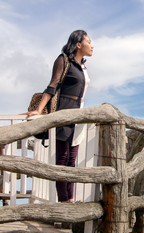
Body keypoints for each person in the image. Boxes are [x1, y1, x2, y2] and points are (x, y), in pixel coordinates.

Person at [26, 30, 93, 203]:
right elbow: (53, 85)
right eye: (89, 41)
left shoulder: (83, 67)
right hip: (63, 114)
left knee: (72, 160)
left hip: (78, 116)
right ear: (78, 44)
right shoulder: (63, 60)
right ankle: (64, 201)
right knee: (62, 160)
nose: (92, 45)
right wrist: (39, 110)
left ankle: (69, 199)